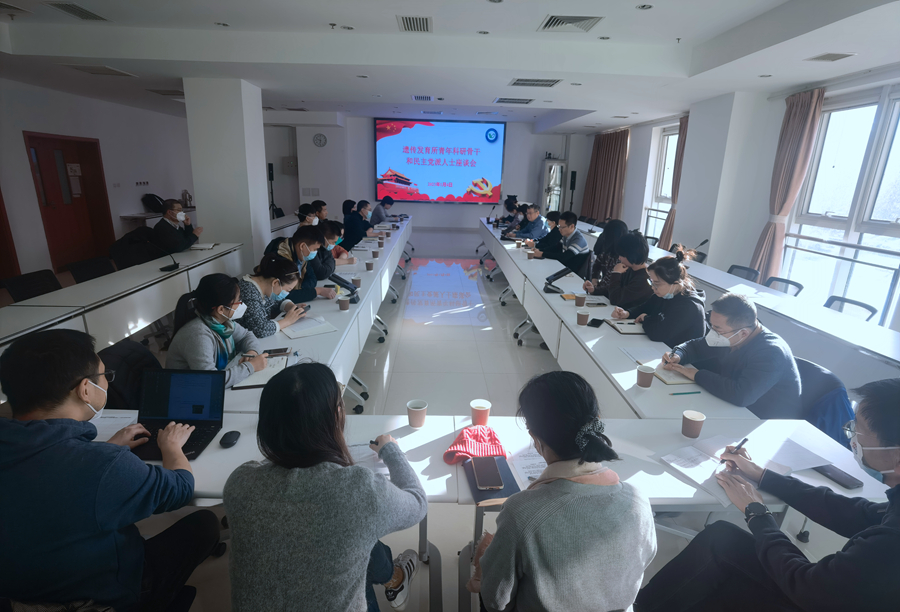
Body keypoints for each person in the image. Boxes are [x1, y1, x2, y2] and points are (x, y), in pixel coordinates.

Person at [636, 377, 900, 612]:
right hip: (836, 592)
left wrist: (757, 513)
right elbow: (859, 514)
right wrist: (762, 476)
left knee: (720, 561)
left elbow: (806, 586)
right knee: (721, 540)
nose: (852, 438)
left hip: (817, 596)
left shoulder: (890, 542)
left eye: (858, 430)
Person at [0, 329, 220, 611]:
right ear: (85, 389)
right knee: (205, 524)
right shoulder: (102, 465)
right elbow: (180, 488)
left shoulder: (94, 460)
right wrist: (172, 446)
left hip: (18, 596)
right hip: (98, 598)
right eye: (105, 375)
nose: (106, 381)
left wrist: (106, 449)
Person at [224, 362, 428, 612]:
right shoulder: (360, 491)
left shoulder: (239, 483)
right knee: (356, 528)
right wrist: (391, 450)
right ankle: (394, 577)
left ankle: (392, 575)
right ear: (337, 415)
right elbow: (418, 502)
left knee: (353, 533)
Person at [478, 371, 656, 612]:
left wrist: (485, 562)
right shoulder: (638, 501)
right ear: (596, 421)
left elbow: (495, 600)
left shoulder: (521, 513)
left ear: (535, 437)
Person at [661, 293, 802, 419]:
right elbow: (695, 347)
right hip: (731, 407)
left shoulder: (771, 353)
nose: (712, 332)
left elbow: (741, 395)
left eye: (717, 328)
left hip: (764, 420)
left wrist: (696, 374)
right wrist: (678, 354)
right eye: (712, 325)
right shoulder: (733, 336)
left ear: (743, 333)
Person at [167, 273, 268, 389]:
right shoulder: (197, 335)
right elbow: (210, 380)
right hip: (188, 392)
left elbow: (246, 335)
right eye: (238, 301)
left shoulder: (222, 322)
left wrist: (252, 352)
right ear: (221, 309)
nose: (241, 304)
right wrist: (250, 367)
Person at [609, 252, 706, 347]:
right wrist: (627, 313)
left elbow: (658, 334)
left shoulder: (689, 306)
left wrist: (645, 318)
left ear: (675, 283)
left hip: (674, 353)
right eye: (651, 282)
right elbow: (645, 307)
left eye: (657, 283)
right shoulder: (666, 293)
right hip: (660, 348)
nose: (653, 287)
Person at [236, 253, 307, 339]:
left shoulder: (265, 285)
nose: (287, 293)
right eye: (287, 290)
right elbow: (260, 329)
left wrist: (292, 307)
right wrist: (287, 321)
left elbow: (277, 302)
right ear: (275, 282)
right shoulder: (249, 292)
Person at [584, 230, 654, 310]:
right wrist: (594, 290)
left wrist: (616, 273)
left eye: (622, 255)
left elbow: (615, 299)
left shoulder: (644, 279)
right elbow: (612, 289)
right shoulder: (630, 268)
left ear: (632, 255)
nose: (619, 258)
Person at [265, 225, 337, 302]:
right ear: (302, 246)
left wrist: (301, 291)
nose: (315, 253)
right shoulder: (281, 259)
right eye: (314, 249)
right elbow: (284, 294)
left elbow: (312, 278)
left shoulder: (301, 255)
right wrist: (316, 291)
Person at [589, 219, 628, 295]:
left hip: (609, 295)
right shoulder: (608, 251)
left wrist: (594, 290)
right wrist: (594, 281)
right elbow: (597, 265)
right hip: (601, 291)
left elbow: (609, 284)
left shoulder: (622, 259)